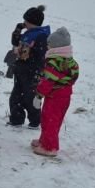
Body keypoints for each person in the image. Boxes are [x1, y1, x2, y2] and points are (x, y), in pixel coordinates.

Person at [32, 26, 79, 156]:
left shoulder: (53, 62)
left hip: (55, 96)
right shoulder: (70, 61)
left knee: (50, 120)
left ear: (56, 48)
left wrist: (38, 95)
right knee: (52, 119)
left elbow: (47, 81)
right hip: (64, 95)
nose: (47, 46)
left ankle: (50, 148)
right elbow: (74, 77)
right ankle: (44, 140)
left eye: (49, 44)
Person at [8, 5, 50, 129]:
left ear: (33, 22)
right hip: (20, 70)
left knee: (30, 98)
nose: (24, 23)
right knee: (15, 97)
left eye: (26, 21)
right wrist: (17, 29)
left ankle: (35, 121)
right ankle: (16, 119)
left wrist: (38, 72)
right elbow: (15, 42)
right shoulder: (28, 33)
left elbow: (42, 56)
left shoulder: (41, 36)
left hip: (31, 73)